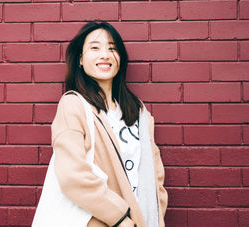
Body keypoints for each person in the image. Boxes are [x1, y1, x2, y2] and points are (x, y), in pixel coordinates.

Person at [51, 21, 167, 227]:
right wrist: (120, 218)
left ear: (120, 59)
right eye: (95, 48)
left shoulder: (138, 111)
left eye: (112, 48)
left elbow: (155, 176)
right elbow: (72, 175)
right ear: (80, 59)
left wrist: (157, 215)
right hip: (102, 221)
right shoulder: (74, 105)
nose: (105, 54)